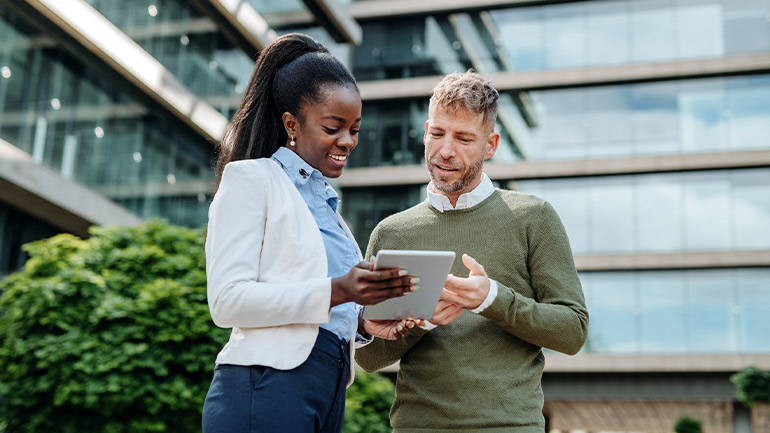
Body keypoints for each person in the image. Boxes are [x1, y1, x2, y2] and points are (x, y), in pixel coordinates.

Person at [202, 33, 418, 433]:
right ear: (291, 124)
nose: (348, 142)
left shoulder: (329, 208)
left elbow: (321, 309)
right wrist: (340, 289)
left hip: (326, 389)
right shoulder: (252, 180)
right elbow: (226, 301)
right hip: (265, 389)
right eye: (334, 127)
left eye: (354, 129)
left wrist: (364, 322)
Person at [355, 71, 589, 433]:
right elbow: (368, 357)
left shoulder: (533, 217)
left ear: (490, 145)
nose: (446, 150)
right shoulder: (391, 233)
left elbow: (572, 331)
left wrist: (492, 299)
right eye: (437, 133)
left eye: (464, 138)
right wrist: (422, 321)